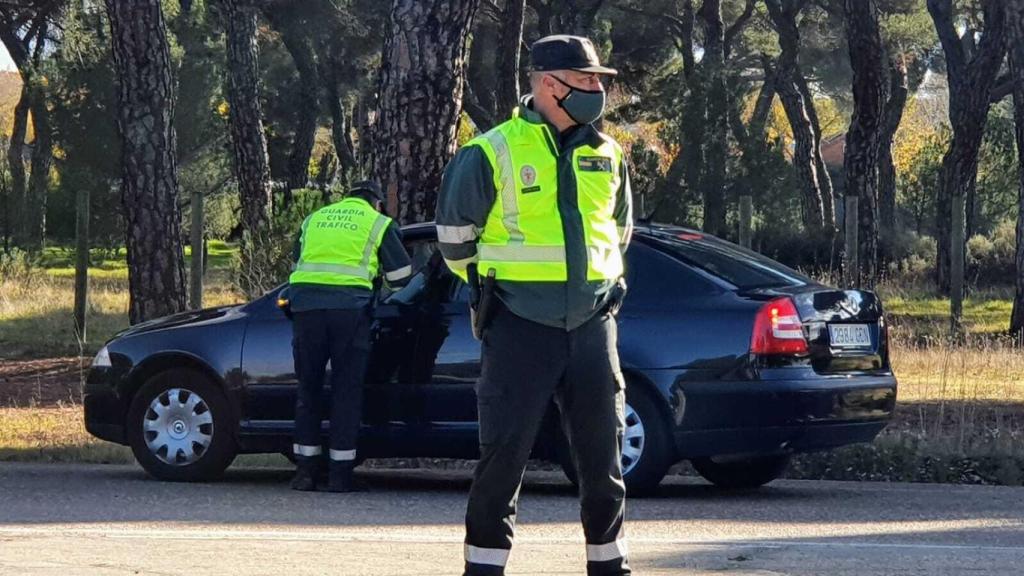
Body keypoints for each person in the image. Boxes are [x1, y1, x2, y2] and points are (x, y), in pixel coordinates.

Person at [436, 34, 634, 576]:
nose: (599, 90)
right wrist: (503, 287)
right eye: (589, 80)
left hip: (593, 326)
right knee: (504, 458)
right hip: (520, 327)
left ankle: (609, 566)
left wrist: (600, 291)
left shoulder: (609, 153)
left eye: (599, 80)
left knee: (603, 459)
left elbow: (619, 233)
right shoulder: (489, 151)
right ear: (551, 84)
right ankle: (483, 568)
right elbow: (455, 242)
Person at [286, 180, 412, 492]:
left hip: (306, 309)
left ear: (347, 198)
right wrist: (379, 287)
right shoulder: (378, 223)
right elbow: (401, 278)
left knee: (309, 388)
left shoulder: (315, 218)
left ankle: (305, 473)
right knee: (346, 391)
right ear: (377, 203)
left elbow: (296, 263)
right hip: (349, 311)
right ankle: (340, 476)